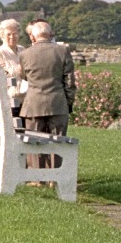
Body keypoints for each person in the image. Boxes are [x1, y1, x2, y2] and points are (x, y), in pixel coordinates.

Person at [18, 19, 77, 169]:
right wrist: (68, 102)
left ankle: (37, 179)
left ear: (32, 37)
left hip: (33, 105)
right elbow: (69, 81)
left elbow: (24, 76)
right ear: (51, 34)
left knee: (34, 143)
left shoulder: (25, 54)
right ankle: (54, 178)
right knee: (57, 143)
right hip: (57, 103)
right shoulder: (63, 51)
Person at [0, 17, 24, 123]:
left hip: (26, 100)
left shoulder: (23, 50)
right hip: (9, 103)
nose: (12, 37)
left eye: (15, 33)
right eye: (8, 34)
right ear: (2, 36)